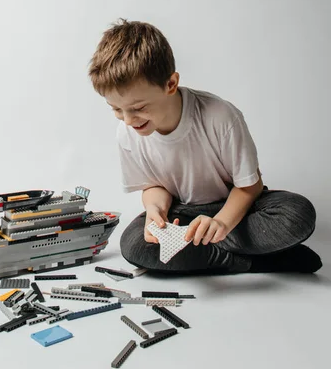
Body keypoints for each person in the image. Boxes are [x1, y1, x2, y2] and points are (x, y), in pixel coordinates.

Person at [88, 19, 322, 275]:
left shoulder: (220, 116)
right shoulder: (127, 134)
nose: (129, 120)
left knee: (297, 213)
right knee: (134, 245)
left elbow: (249, 187)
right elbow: (153, 186)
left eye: (139, 108)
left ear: (170, 84)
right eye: (116, 109)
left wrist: (221, 222)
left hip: (236, 207)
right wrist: (156, 209)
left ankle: (204, 251)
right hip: (185, 214)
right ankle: (257, 260)